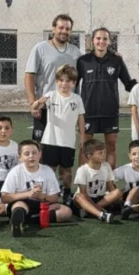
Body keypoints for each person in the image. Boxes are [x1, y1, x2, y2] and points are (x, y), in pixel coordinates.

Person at [76, 27, 136, 169]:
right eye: (98, 38)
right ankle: (82, 183)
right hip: (88, 112)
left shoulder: (116, 60)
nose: (101, 41)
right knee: (85, 148)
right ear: (92, 41)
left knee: (111, 147)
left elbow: (128, 84)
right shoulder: (83, 61)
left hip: (110, 111)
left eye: (104, 38)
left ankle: (110, 181)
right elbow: (73, 84)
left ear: (109, 41)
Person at [30, 63, 85, 201]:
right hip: (50, 140)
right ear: (57, 81)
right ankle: (47, 193)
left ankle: (67, 192)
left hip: (68, 141)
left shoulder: (77, 99)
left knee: (66, 170)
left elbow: (81, 118)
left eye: (68, 81)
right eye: (61, 80)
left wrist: (82, 136)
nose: (64, 84)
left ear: (74, 83)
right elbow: (36, 107)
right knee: (49, 168)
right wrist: (38, 102)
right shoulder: (51, 95)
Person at [25, 14, 81, 145]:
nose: (64, 31)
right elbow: (29, 76)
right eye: (61, 28)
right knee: (40, 147)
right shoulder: (40, 48)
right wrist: (33, 103)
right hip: (44, 106)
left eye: (67, 29)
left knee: (63, 146)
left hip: (66, 107)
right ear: (53, 29)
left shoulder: (75, 52)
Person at [1, 139, 72, 236]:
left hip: (41, 205)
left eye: (34, 153)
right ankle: (20, 221)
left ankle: (26, 219)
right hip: (22, 203)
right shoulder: (15, 172)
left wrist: (40, 196)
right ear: (20, 157)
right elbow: (5, 198)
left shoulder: (47, 171)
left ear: (40, 154)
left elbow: (54, 198)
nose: (31, 156)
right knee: (19, 205)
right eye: (27, 153)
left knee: (66, 212)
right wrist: (28, 194)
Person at [73, 139, 122, 223]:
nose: (103, 155)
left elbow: (110, 187)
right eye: (100, 153)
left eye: (104, 152)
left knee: (118, 191)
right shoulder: (82, 170)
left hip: (101, 198)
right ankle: (101, 215)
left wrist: (116, 197)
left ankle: (91, 210)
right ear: (89, 156)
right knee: (79, 197)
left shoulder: (106, 166)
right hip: (87, 198)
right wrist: (94, 205)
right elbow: (83, 193)